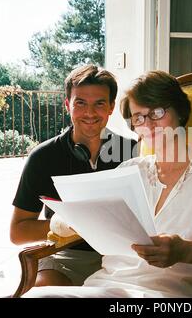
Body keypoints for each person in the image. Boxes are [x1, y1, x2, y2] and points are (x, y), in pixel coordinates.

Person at [23, 70, 192, 298]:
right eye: (139, 117)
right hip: (104, 287)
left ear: (180, 112)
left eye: (157, 112)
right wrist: (69, 218)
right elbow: (66, 225)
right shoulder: (128, 170)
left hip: (167, 295)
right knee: (37, 296)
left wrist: (185, 251)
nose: (149, 125)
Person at [10, 64, 137, 287]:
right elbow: (18, 232)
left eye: (99, 104)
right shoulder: (42, 157)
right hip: (66, 257)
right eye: (80, 103)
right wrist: (71, 224)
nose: (89, 113)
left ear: (111, 107)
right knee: (43, 291)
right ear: (67, 104)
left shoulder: (133, 152)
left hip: (124, 260)